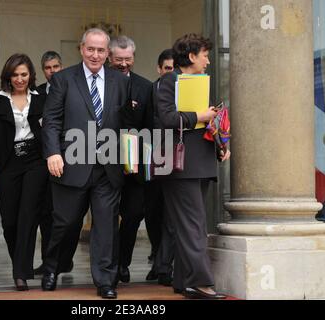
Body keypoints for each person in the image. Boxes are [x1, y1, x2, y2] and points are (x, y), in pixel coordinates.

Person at [41, 28, 132, 299]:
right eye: (90, 49)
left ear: (108, 53)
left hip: (108, 167)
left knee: (106, 226)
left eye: (101, 50)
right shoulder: (63, 79)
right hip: (71, 163)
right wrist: (53, 153)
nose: (95, 55)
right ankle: (51, 267)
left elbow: (124, 122)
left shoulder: (120, 81)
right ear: (81, 49)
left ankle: (105, 281)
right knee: (65, 224)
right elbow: (52, 119)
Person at [157, 34, 231, 299]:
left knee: (189, 225)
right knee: (194, 226)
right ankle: (200, 283)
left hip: (200, 162)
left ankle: (184, 281)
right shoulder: (168, 81)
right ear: (190, 57)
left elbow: (203, 125)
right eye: (204, 56)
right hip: (181, 165)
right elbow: (165, 118)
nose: (208, 61)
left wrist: (221, 144)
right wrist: (199, 116)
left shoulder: (199, 82)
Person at [0, 53, 48, 291]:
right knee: (9, 220)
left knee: (28, 217)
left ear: (31, 75)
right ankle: (19, 264)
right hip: (8, 163)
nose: (20, 79)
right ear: (8, 77)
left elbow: (50, 130)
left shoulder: (41, 98)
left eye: (24, 74)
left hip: (35, 162)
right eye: (15, 75)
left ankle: (20, 273)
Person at [107, 35, 153, 284]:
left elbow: (149, 128)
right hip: (104, 162)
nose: (124, 64)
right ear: (109, 58)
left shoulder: (145, 87)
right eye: (118, 60)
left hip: (135, 167)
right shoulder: (99, 82)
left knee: (134, 214)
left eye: (128, 59)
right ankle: (109, 266)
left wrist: (136, 160)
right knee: (107, 216)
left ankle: (123, 262)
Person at [33, 50, 76, 276]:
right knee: (45, 214)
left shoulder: (71, 89)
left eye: (56, 67)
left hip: (67, 160)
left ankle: (65, 260)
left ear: (62, 66)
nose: (52, 71)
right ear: (43, 71)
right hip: (41, 161)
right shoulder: (37, 94)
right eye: (48, 68)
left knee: (66, 216)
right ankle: (47, 262)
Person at [146, 49, 176, 285]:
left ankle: (163, 266)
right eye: (167, 69)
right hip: (150, 160)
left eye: (174, 69)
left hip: (176, 160)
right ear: (159, 69)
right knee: (152, 214)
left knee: (170, 216)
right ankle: (158, 258)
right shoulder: (148, 90)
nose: (171, 73)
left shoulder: (184, 91)